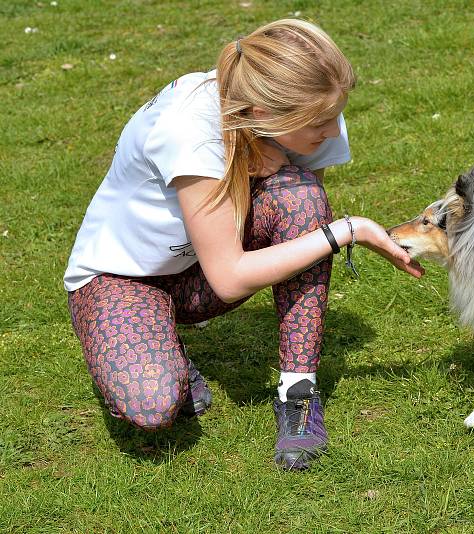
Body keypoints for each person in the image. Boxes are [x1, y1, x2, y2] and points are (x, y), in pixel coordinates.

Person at [64, 19, 423, 470]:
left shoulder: (303, 110)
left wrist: (281, 176)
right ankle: (144, 345)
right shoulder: (188, 129)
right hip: (122, 277)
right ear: (262, 114)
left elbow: (301, 222)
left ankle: (299, 395)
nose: (333, 131)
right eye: (320, 122)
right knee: (153, 406)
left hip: (202, 269)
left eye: (336, 113)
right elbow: (231, 278)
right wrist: (346, 230)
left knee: (302, 197)